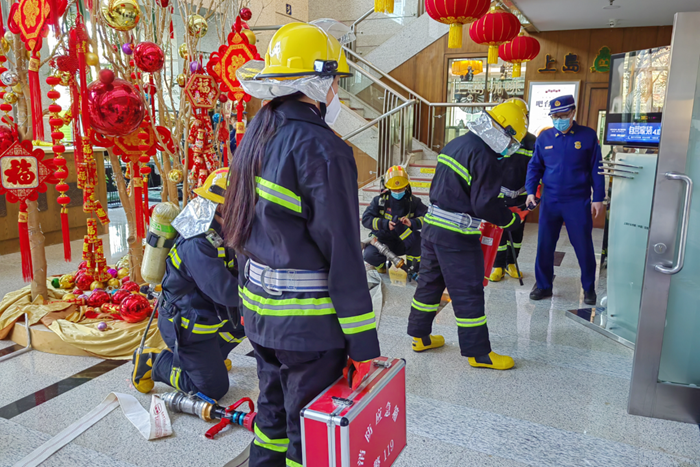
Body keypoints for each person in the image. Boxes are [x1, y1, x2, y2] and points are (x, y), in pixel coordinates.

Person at [223, 22, 381, 467]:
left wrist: (245, 305)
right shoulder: (323, 148)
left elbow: (238, 229)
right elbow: (344, 254)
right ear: (320, 82)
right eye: (335, 83)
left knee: (272, 420)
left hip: (261, 318)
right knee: (308, 436)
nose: (336, 94)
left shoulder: (257, 135)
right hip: (308, 329)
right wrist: (363, 345)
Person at [407, 101, 528, 370]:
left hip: (432, 229)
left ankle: (420, 336)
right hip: (457, 236)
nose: (510, 145)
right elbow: (484, 204)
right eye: (511, 138)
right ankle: (479, 353)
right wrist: (510, 218)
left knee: (429, 283)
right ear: (502, 131)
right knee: (468, 291)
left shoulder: (457, 144)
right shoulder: (485, 156)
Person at [131, 168, 246, 400]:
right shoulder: (197, 243)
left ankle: (210, 357)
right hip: (187, 327)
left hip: (208, 316)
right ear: (221, 207)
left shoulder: (222, 230)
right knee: (213, 390)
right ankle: (154, 362)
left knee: (248, 323)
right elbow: (226, 292)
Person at [525, 95, 605, 305]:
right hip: (550, 200)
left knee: (583, 246)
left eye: (563, 115)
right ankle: (543, 285)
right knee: (544, 244)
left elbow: (597, 169)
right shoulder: (544, 138)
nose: (558, 119)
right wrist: (531, 190)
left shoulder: (587, 136)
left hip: (577, 201)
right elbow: (535, 166)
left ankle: (588, 288)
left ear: (573, 113)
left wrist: (598, 198)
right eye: (555, 116)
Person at [489, 98, 536, 282]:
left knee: (517, 233)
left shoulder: (533, 142)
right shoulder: (499, 140)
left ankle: (511, 263)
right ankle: (497, 265)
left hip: (522, 196)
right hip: (499, 195)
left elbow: (536, 169)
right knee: (499, 233)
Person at [362, 165, 428, 273]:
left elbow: (428, 217)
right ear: (388, 187)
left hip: (405, 241)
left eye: (401, 188)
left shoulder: (413, 202)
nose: (397, 191)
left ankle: (414, 270)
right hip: (383, 240)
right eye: (394, 189)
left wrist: (412, 223)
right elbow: (366, 219)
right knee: (369, 255)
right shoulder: (380, 201)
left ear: (407, 186)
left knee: (419, 240)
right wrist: (384, 224)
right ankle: (381, 265)